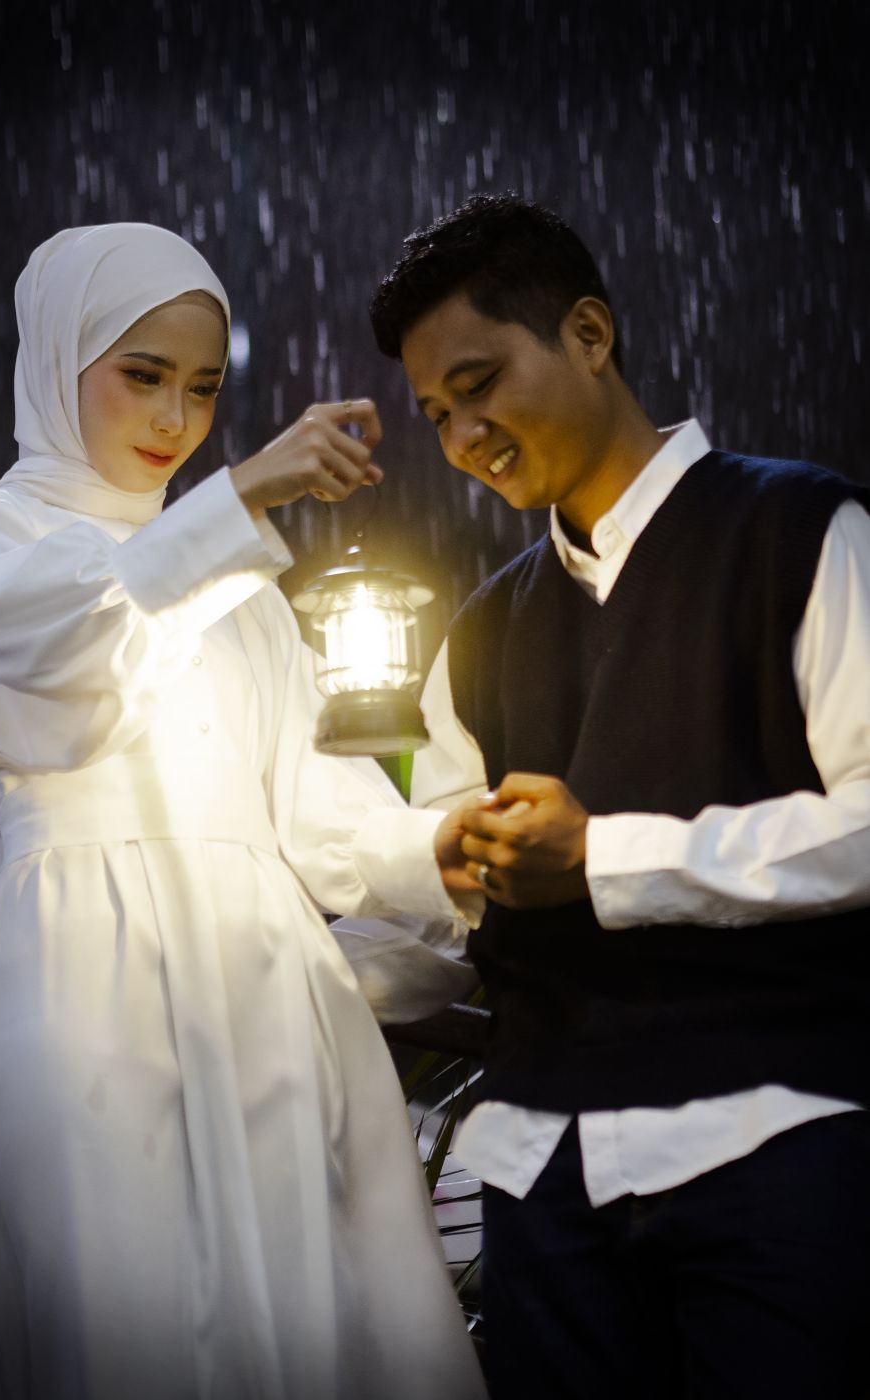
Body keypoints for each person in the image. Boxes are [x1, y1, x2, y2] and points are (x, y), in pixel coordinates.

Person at [0, 223, 486, 1400]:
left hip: (269, 978)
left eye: (201, 387)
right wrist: (241, 496)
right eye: (143, 375)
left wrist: (440, 847)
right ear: (56, 356)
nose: (174, 418)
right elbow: (76, 662)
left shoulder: (242, 585)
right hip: (83, 976)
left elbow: (319, 807)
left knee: (338, 1318)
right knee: (131, 1314)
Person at [369, 193, 870, 1399]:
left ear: (590, 333)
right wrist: (239, 971)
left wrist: (605, 857)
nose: (464, 436)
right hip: (541, 1180)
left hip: (779, 1139)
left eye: (481, 384)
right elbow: (434, 927)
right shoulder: (474, 635)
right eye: (437, 414)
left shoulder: (805, 528)